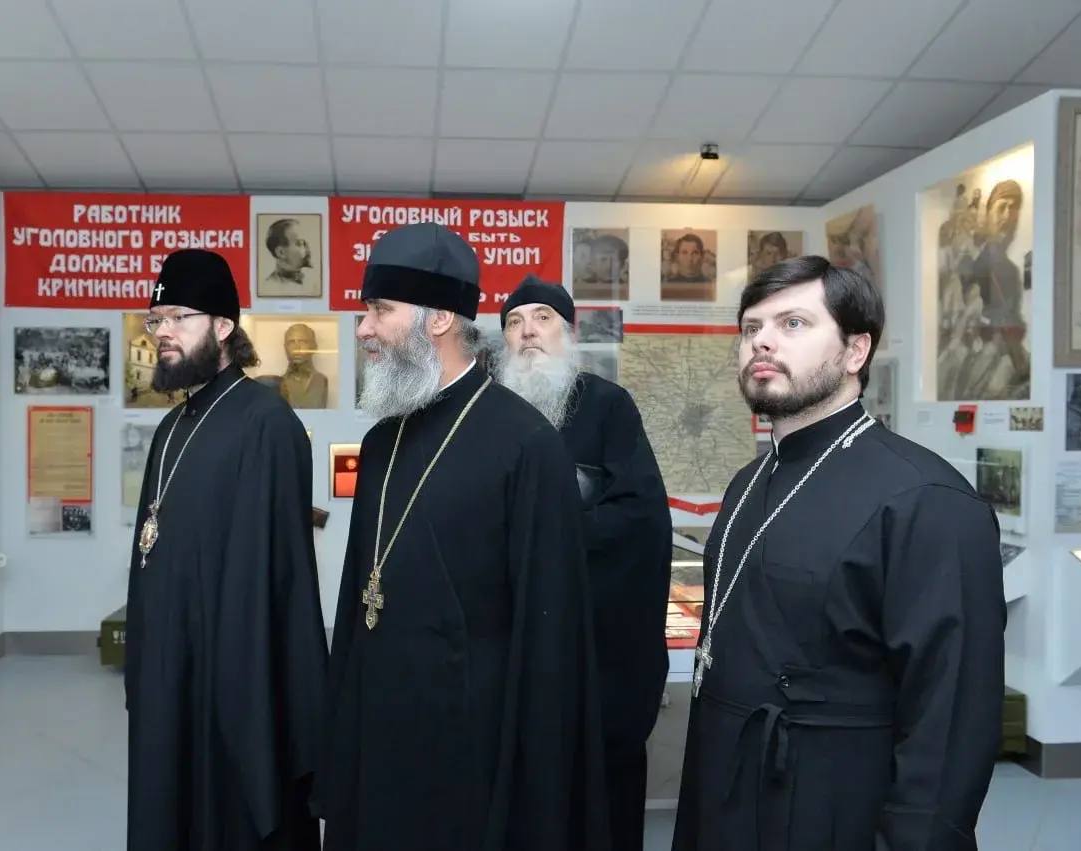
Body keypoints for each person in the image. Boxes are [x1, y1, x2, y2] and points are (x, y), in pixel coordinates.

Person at [672, 256, 1005, 850]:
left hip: (833, 803)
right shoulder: (749, 481)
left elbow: (951, 718)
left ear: (856, 352)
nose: (762, 341)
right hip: (728, 787)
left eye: (793, 323)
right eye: (751, 328)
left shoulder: (926, 498)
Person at [318, 223, 610, 851]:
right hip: (378, 723)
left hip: (470, 747)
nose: (363, 329)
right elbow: (360, 594)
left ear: (440, 318)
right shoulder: (381, 441)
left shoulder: (527, 443)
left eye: (380, 310)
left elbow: (550, 637)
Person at [125, 249, 327, 851]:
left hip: (233, 685)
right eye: (156, 319)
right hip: (170, 673)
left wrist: (239, 690)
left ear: (222, 327)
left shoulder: (267, 423)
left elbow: (277, 581)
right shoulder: (172, 427)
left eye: (177, 318)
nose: (161, 333)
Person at [497, 275, 671, 851]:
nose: (528, 332)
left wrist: (548, 539)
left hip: (593, 651)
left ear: (567, 332)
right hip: (506, 649)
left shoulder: (607, 406)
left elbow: (641, 517)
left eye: (542, 318)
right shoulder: (486, 412)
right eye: (515, 322)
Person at [262, 217, 319, 294]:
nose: (308, 249)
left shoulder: (315, 281)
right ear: (281, 252)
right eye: (301, 243)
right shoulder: (269, 288)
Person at [278, 322, 328, 408]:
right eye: (291, 342)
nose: (296, 348)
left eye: (303, 342)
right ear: (285, 348)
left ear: (314, 346)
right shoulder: (278, 384)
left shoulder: (322, 381)